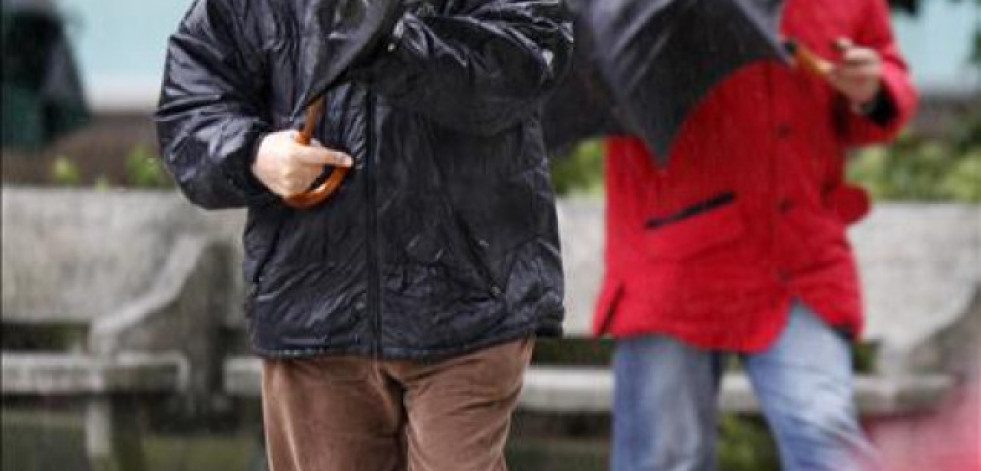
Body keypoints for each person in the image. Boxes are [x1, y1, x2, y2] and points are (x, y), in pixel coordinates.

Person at [155, 1, 572, 470]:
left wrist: (387, 44)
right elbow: (190, 107)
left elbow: (524, 61)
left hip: (468, 299)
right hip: (313, 302)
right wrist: (253, 154)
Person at [593, 1, 917, 470]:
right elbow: (598, 66)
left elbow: (887, 77)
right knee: (665, 457)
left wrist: (873, 89)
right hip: (671, 261)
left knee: (825, 435)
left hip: (799, 261)